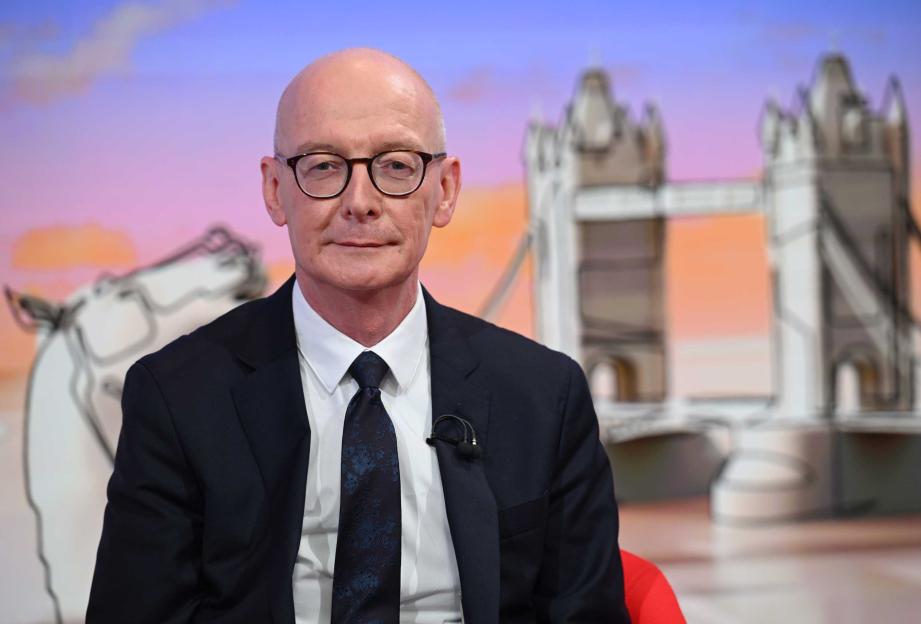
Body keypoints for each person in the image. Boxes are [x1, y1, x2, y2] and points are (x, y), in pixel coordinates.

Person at [87, 48, 630, 624]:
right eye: (323, 165)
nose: (360, 203)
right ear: (275, 190)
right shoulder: (177, 397)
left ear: (444, 190)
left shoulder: (546, 397)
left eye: (396, 166)